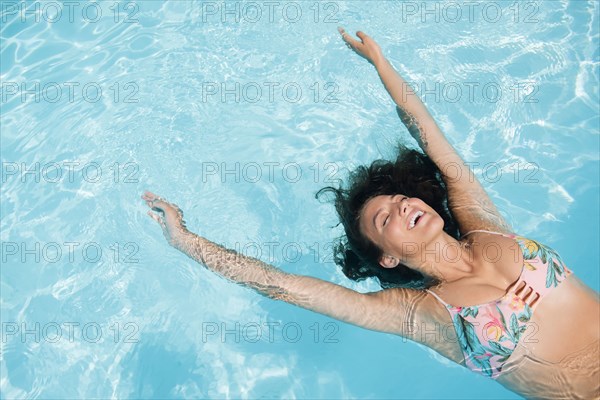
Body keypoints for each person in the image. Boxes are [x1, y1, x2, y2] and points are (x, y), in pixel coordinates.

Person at [141, 28, 599, 399]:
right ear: (388, 258)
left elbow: (432, 139)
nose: (403, 206)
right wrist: (185, 240)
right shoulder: (418, 312)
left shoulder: (485, 227)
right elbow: (285, 287)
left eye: (402, 201)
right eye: (386, 220)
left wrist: (382, 66)